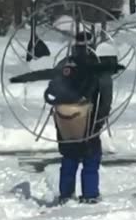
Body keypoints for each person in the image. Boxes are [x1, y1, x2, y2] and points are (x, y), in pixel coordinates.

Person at [43, 31, 113, 204]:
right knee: (90, 160)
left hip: (65, 121)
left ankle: (66, 195)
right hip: (89, 120)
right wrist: (99, 122)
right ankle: (90, 195)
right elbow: (106, 98)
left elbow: (52, 89)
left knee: (68, 158)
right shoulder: (97, 66)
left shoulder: (63, 64)